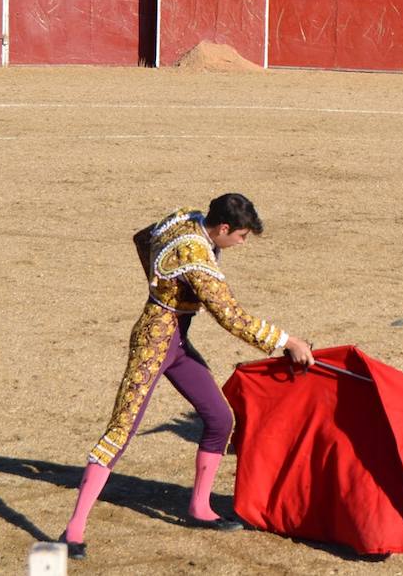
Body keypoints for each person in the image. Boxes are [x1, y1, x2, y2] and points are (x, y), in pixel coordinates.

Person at [59, 195, 314, 560]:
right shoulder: (195, 259)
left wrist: (160, 283)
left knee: (220, 418)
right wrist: (287, 342)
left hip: (174, 339)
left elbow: (143, 237)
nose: (242, 243)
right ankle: (73, 529)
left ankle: (200, 507)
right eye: (241, 236)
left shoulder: (185, 218)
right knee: (121, 430)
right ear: (223, 228)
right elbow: (232, 318)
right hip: (154, 343)